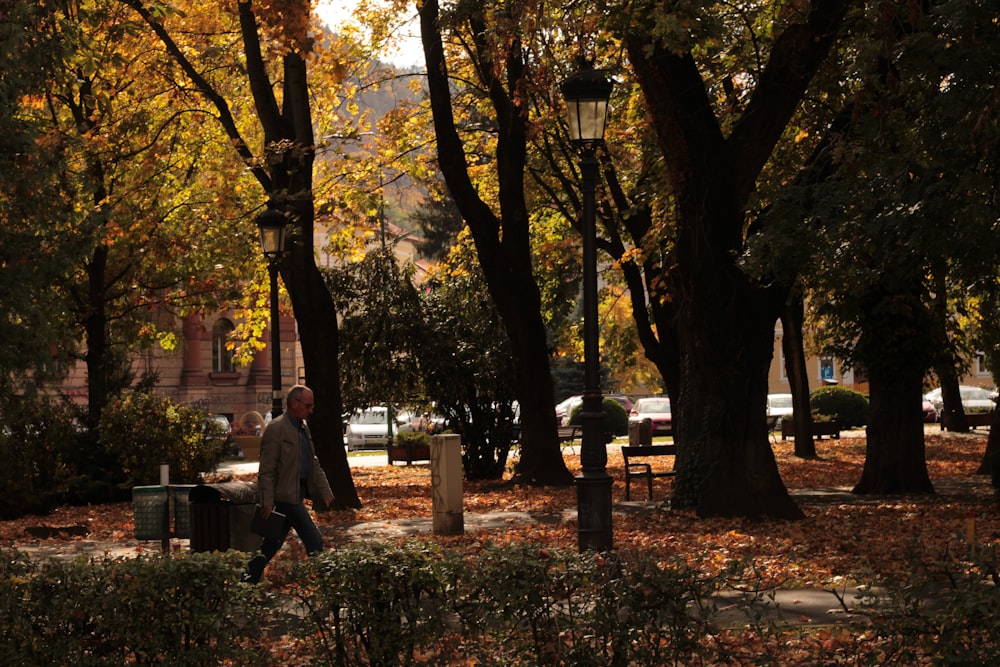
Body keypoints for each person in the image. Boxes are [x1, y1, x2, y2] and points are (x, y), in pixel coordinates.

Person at [245, 384, 334, 584]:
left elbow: (312, 462)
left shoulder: (303, 428)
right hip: (284, 498)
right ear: (295, 404)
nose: (311, 410)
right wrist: (267, 500)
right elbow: (266, 469)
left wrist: (324, 490)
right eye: (308, 405)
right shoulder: (277, 429)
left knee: (271, 544)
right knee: (314, 539)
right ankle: (328, 583)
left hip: (295, 494)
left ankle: (245, 581)